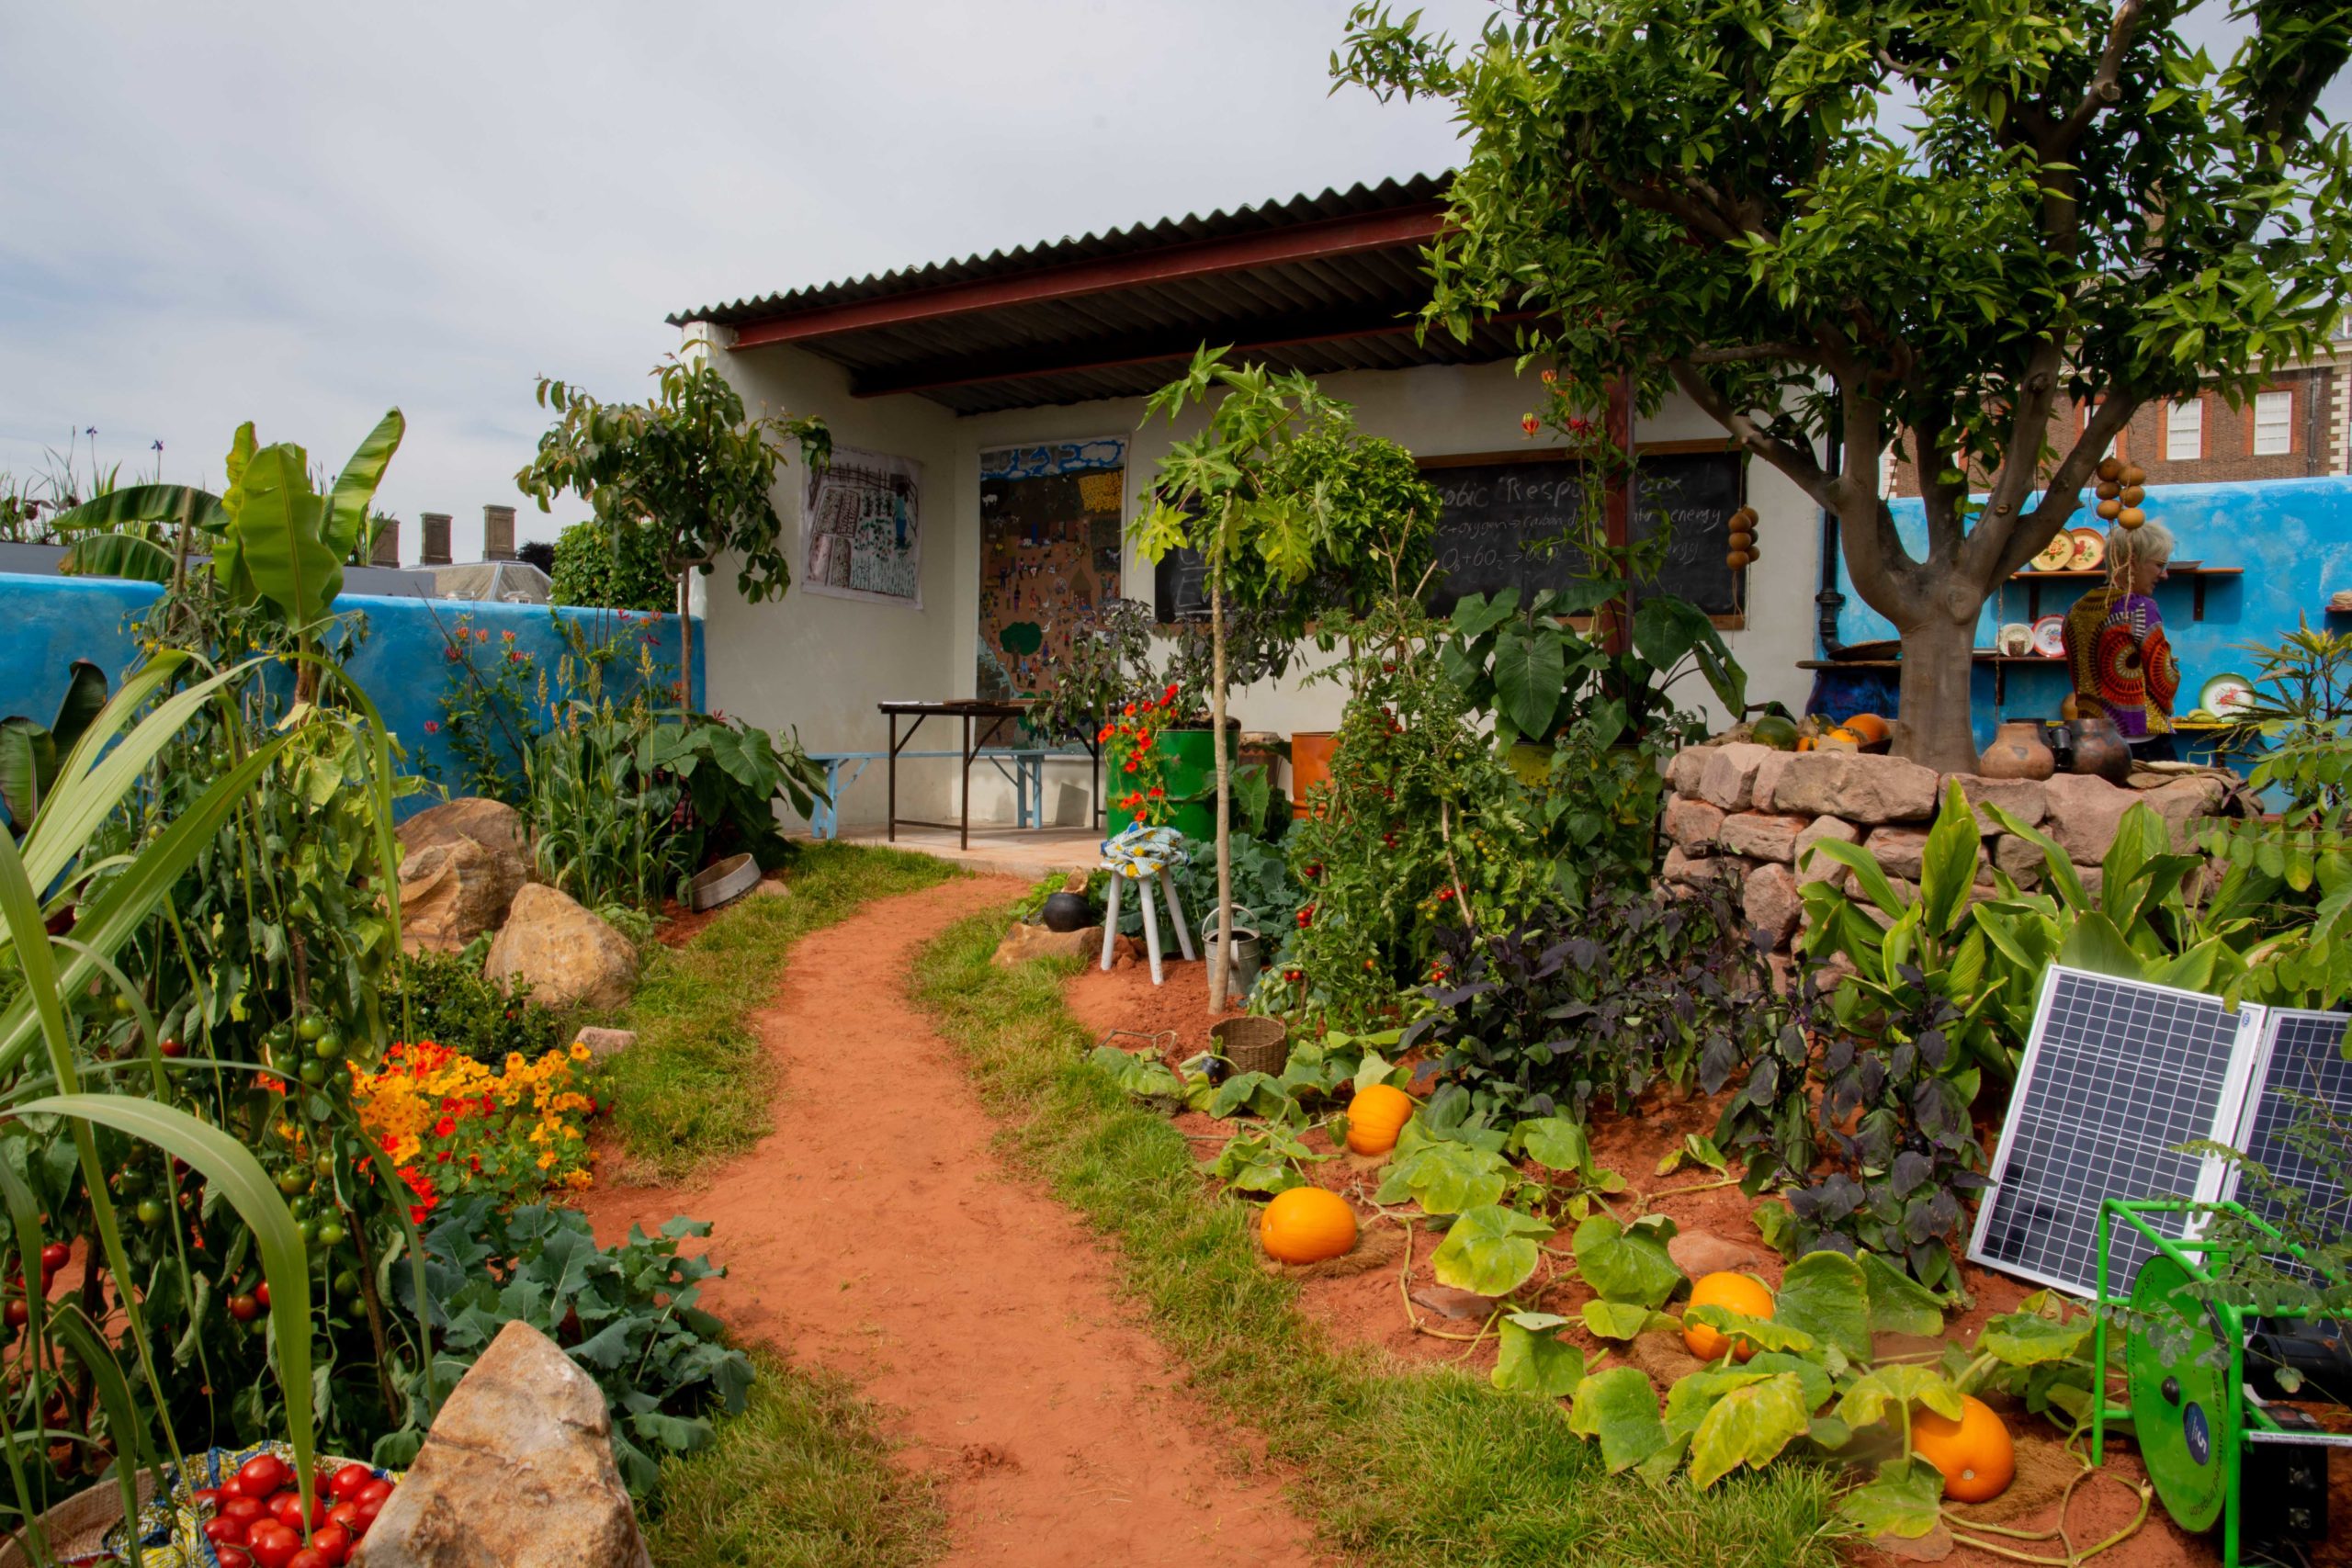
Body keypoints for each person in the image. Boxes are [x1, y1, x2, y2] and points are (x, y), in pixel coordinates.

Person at [2063, 519, 2182, 761]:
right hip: (2140, 738)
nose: (2164, 574)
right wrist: (2170, 697)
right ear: (2132, 562)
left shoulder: (2077, 608)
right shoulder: (2138, 607)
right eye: (2159, 565)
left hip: (2092, 737)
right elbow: (2162, 675)